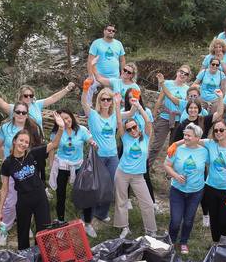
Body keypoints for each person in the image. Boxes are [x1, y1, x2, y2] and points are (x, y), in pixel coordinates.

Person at [0, 114, 64, 249]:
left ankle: (43, 257)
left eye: (26, 142)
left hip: (39, 197)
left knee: (44, 231)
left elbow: (54, 144)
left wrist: (61, 127)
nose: (23, 144)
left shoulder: (32, 153)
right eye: (21, 140)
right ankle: (25, 259)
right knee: (22, 232)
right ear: (14, 141)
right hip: (23, 200)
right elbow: (4, 189)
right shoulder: (7, 164)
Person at [0, 103, 44, 246]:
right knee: (10, 202)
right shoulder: (6, 128)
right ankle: (5, 228)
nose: (21, 115)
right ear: (13, 113)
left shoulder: (32, 128)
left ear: (27, 114)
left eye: (24, 112)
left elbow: (38, 148)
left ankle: (25, 225)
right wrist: (5, 159)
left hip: (28, 170)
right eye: (18, 112)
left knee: (28, 199)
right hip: (12, 169)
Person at [114, 97, 158, 239]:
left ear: (138, 126)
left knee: (148, 204)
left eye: (134, 127)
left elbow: (148, 121)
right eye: (129, 129)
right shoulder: (125, 138)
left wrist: (138, 106)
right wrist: (116, 104)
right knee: (121, 201)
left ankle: (150, 230)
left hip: (138, 176)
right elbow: (119, 121)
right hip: (122, 173)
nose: (132, 130)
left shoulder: (145, 136)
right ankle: (124, 228)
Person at [80, 87, 120, 237]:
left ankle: (102, 213)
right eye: (102, 99)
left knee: (111, 185)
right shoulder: (93, 115)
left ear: (111, 102)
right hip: (97, 156)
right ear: (99, 101)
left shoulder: (115, 115)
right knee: (94, 188)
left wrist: (134, 104)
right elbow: (84, 102)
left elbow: (131, 113)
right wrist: (85, 89)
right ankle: (86, 220)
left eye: (108, 99)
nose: (105, 101)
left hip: (113, 156)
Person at [164, 123, 209, 254]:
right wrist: (176, 176)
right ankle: (171, 241)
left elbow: (213, 163)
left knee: (189, 219)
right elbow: (166, 165)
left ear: (197, 138)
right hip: (177, 190)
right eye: (185, 135)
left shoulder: (204, 151)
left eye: (189, 135)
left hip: (196, 191)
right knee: (176, 220)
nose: (185, 138)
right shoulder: (177, 149)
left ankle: (184, 241)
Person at [48, 109, 93, 222]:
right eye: (62, 120)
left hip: (78, 165)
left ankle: (87, 222)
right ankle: (61, 220)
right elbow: (52, 149)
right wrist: (51, 165)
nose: (66, 121)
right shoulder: (56, 133)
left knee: (85, 193)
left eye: (67, 118)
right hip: (62, 166)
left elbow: (90, 141)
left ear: (72, 117)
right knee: (60, 194)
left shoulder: (81, 130)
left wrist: (93, 143)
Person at [148, 67, 192, 169]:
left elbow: (185, 105)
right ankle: (146, 167)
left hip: (178, 119)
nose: (183, 75)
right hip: (165, 117)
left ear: (187, 77)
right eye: (181, 72)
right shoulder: (167, 83)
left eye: (186, 74)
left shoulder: (187, 89)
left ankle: (170, 169)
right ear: (177, 72)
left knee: (174, 146)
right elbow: (159, 100)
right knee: (156, 146)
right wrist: (153, 115)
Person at [0, 83, 75, 130]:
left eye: (31, 95)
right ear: (20, 96)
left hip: (38, 141)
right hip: (21, 143)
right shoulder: (15, 108)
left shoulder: (37, 104)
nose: (28, 97)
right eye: (26, 95)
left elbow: (53, 98)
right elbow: (3, 104)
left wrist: (67, 89)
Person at [85, 23, 126, 106]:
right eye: (109, 30)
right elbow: (90, 60)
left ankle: (118, 112)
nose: (111, 32)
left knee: (120, 92)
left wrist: (123, 74)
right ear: (104, 31)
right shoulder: (96, 43)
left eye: (113, 31)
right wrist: (90, 76)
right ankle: (87, 107)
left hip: (114, 77)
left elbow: (122, 61)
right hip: (98, 75)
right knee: (88, 84)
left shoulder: (119, 44)